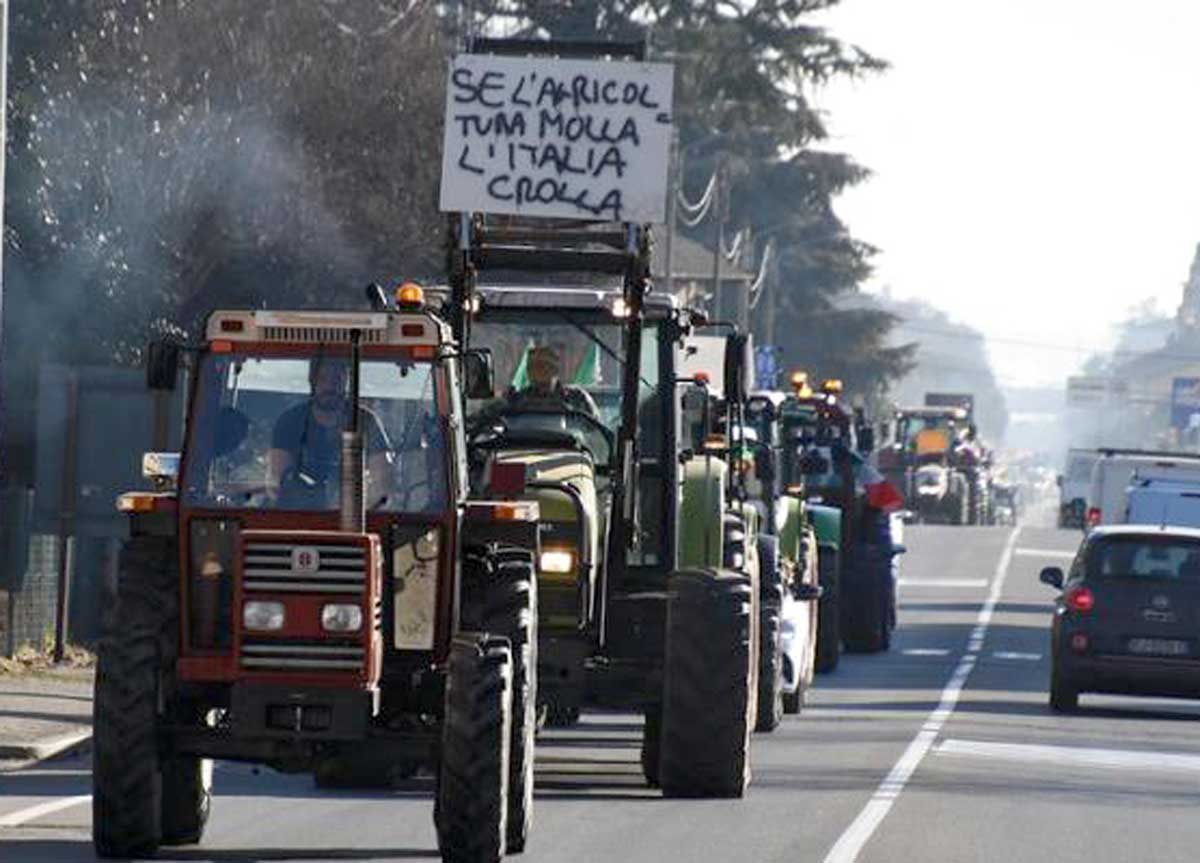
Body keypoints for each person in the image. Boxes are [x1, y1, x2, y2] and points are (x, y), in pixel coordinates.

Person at [266, 357, 393, 507]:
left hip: (355, 518)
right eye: (322, 378)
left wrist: (366, 508)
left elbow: (382, 482)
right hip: (298, 516)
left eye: (337, 379)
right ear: (312, 381)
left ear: (347, 381)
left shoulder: (365, 421)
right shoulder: (290, 422)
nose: (329, 386)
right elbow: (277, 478)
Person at [501, 345, 600, 418]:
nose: (535, 372)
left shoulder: (577, 398)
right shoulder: (516, 400)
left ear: (555, 369)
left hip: (567, 445)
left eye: (541, 366)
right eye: (530, 367)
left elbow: (594, 431)